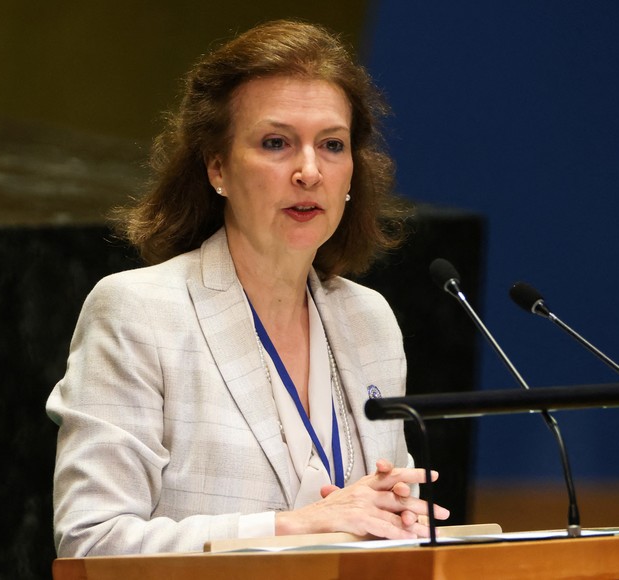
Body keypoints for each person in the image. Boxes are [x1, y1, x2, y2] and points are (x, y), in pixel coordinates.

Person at [46, 19, 449, 557]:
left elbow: (377, 524)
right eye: (276, 143)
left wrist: (402, 522)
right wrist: (291, 527)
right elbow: (91, 544)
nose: (309, 171)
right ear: (218, 168)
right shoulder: (138, 312)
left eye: (332, 145)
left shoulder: (368, 319)